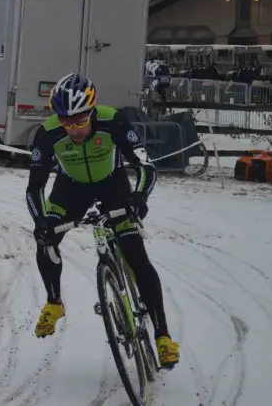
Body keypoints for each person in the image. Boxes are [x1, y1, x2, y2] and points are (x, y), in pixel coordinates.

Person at [25, 73, 180, 369]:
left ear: (92, 110)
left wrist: (139, 197)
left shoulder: (113, 121)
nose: (72, 129)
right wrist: (39, 221)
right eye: (66, 121)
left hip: (112, 185)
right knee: (45, 239)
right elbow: (34, 187)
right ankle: (54, 303)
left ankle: (163, 337)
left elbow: (145, 165)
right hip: (70, 189)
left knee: (135, 254)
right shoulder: (47, 133)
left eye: (79, 121)